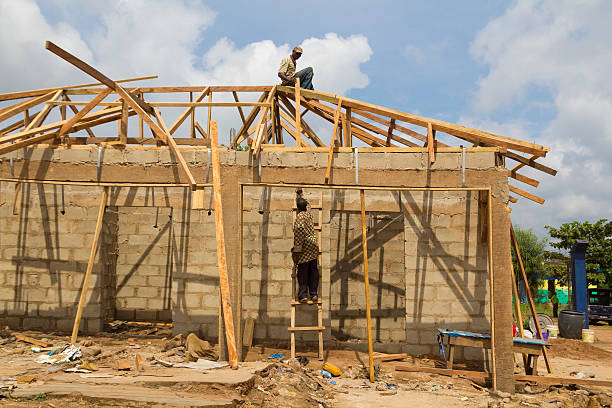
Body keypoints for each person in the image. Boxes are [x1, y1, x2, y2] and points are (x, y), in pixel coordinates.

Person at [292, 197, 319, 303]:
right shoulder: (309, 214)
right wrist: (301, 195)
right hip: (313, 245)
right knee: (313, 270)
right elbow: (309, 206)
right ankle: (313, 294)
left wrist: (297, 250)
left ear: (298, 208)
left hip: (305, 247)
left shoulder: (299, 217)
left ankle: (303, 295)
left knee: (303, 271)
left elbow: (299, 232)